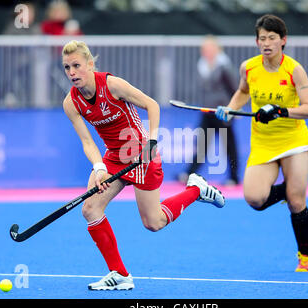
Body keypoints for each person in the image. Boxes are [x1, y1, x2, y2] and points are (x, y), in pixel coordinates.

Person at [61, 40, 225, 290]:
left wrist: (152, 142)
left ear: (90, 65)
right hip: (114, 158)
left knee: (153, 223)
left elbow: (152, 105)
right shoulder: (71, 103)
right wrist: (98, 168)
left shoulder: (112, 85)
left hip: (141, 154)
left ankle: (196, 190)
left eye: (76, 66)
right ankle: (120, 274)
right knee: (90, 208)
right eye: (66, 68)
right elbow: (87, 141)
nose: (72, 72)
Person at [216, 14, 308, 272]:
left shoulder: (294, 70)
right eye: (262, 38)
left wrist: (281, 111)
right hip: (263, 143)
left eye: (272, 38)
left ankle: (306, 258)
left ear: (283, 40)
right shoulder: (248, 68)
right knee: (254, 198)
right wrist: (230, 109)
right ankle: (290, 187)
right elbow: (242, 92)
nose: (266, 43)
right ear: (256, 41)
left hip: (293, 140)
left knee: (297, 202)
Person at [177, 35, 240, 186]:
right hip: (207, 111)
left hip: (223, 112)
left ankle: (234, 177)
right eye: (204, 49)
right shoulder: (202, 65)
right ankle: (190, 173)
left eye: (209, 48)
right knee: (202, 143)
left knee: (229, 145)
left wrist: (235, 108)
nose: (206, 51)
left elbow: (234, 88)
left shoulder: (224, 66)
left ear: (217, 49)